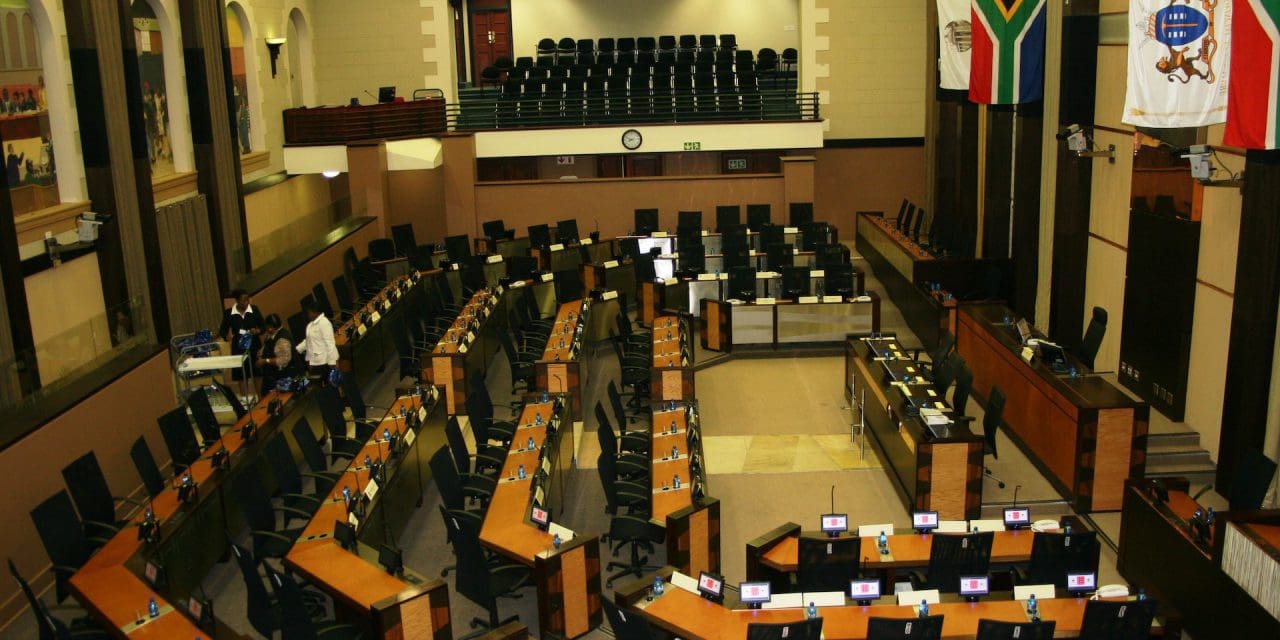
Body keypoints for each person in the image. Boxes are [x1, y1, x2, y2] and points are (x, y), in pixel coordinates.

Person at [218, 289, 263, 396]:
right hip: (238, 347)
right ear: (237, 301)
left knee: (257, 374)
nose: (246, 303)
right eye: (243, 301)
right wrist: (227, 336)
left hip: (254, 345)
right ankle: (245, 400)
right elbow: (222, 330)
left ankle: (261, 399)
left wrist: (257, 331)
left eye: (247, 300)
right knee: (242, 376)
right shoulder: (229, 313)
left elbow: (263, 326)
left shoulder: (254, 309)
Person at [296, 299, 338, 378]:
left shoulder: (324, 323)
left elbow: (330, 344)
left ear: (315, 313)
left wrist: (332, 362)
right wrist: (298, 349)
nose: (308, 315)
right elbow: (308, 340)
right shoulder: (311, 325)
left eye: (309, 313)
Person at [254, 314, 293, 395]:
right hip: (270, 376)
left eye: (267, 326)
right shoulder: (271, 335)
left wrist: (265, 361)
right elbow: (268, 346)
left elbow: (283, 360)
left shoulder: (282, 339)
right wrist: (261, 352)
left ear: (270, 327)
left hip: (282, 379)